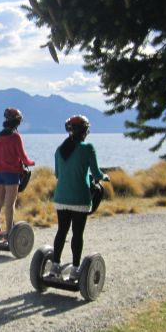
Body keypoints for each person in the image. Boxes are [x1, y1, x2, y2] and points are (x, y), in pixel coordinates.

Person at [50, 115, 109, 279]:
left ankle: (55, 266)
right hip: (80, 198)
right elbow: (96, 173)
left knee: (62, 231)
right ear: (85, 131)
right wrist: (105, 177)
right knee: (77, 233)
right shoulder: (88, 148)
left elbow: (57, 174)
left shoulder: (59, 150)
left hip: (61, 197)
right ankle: (76, 269)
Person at [0, 107, 35, 240]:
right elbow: (23, 157)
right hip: (11, 174)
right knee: (10, 204)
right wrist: (31, 163)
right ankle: (9, 232)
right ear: (17, 122)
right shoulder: (15, 137)